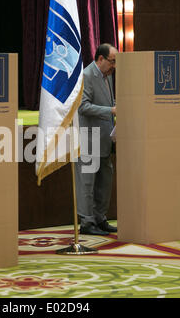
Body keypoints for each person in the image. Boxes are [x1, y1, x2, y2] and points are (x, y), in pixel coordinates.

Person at [75, 43, 118, 235]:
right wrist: (111, 110)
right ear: (100, 59)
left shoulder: (106, 75)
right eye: (112, 61)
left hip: (105, 138)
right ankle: (87, 222)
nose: (114, 66)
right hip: (88, 138)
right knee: (87, 183)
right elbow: (83, 107)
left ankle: (100, 218)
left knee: (105, 181)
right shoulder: (86, 75)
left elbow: (108, 102)